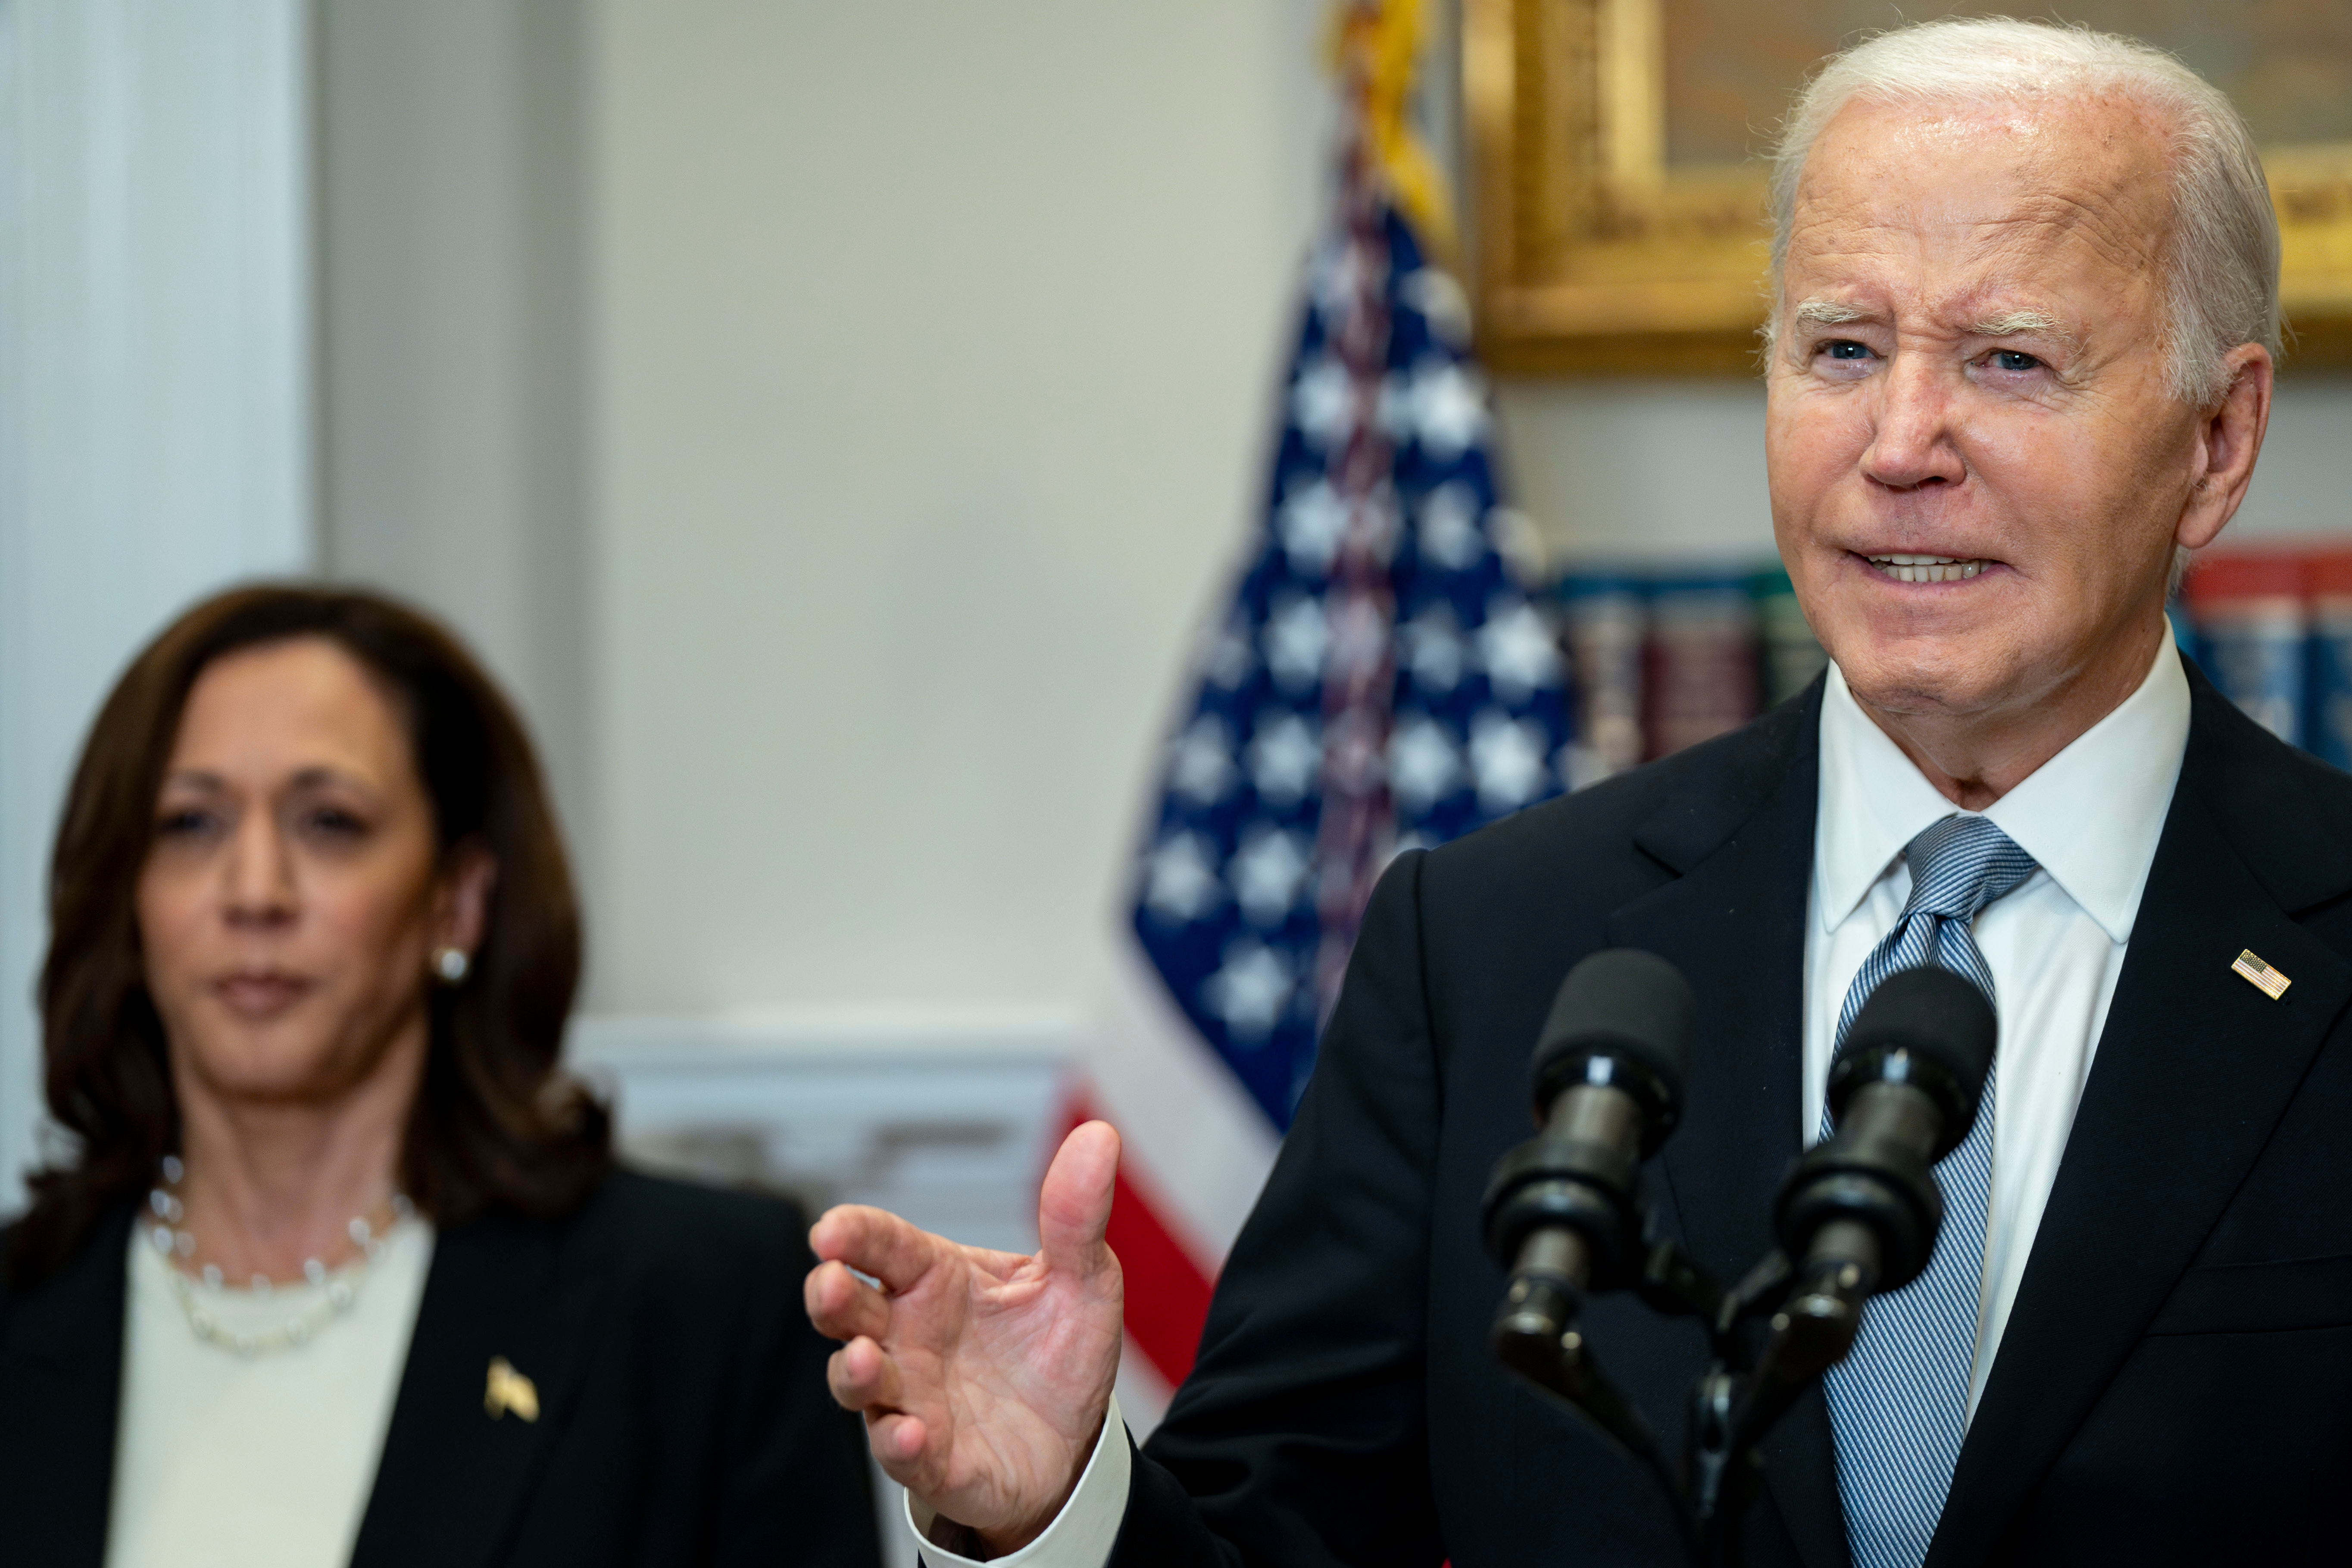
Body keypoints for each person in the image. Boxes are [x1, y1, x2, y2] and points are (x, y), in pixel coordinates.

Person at [806, 17, 2349, 1567]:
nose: (1896, 445)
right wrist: (1056, 1503)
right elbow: (1272, 1536)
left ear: (2214, 442)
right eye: (1838, 349)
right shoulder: (1488, 948)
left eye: (2006, 359)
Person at [0, 585, 881, 1568]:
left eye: (327, 821)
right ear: (130, 898)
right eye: (191, 824)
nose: (253, 891)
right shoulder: (23, 1308)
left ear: (456, 904)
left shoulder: (702, 1305)